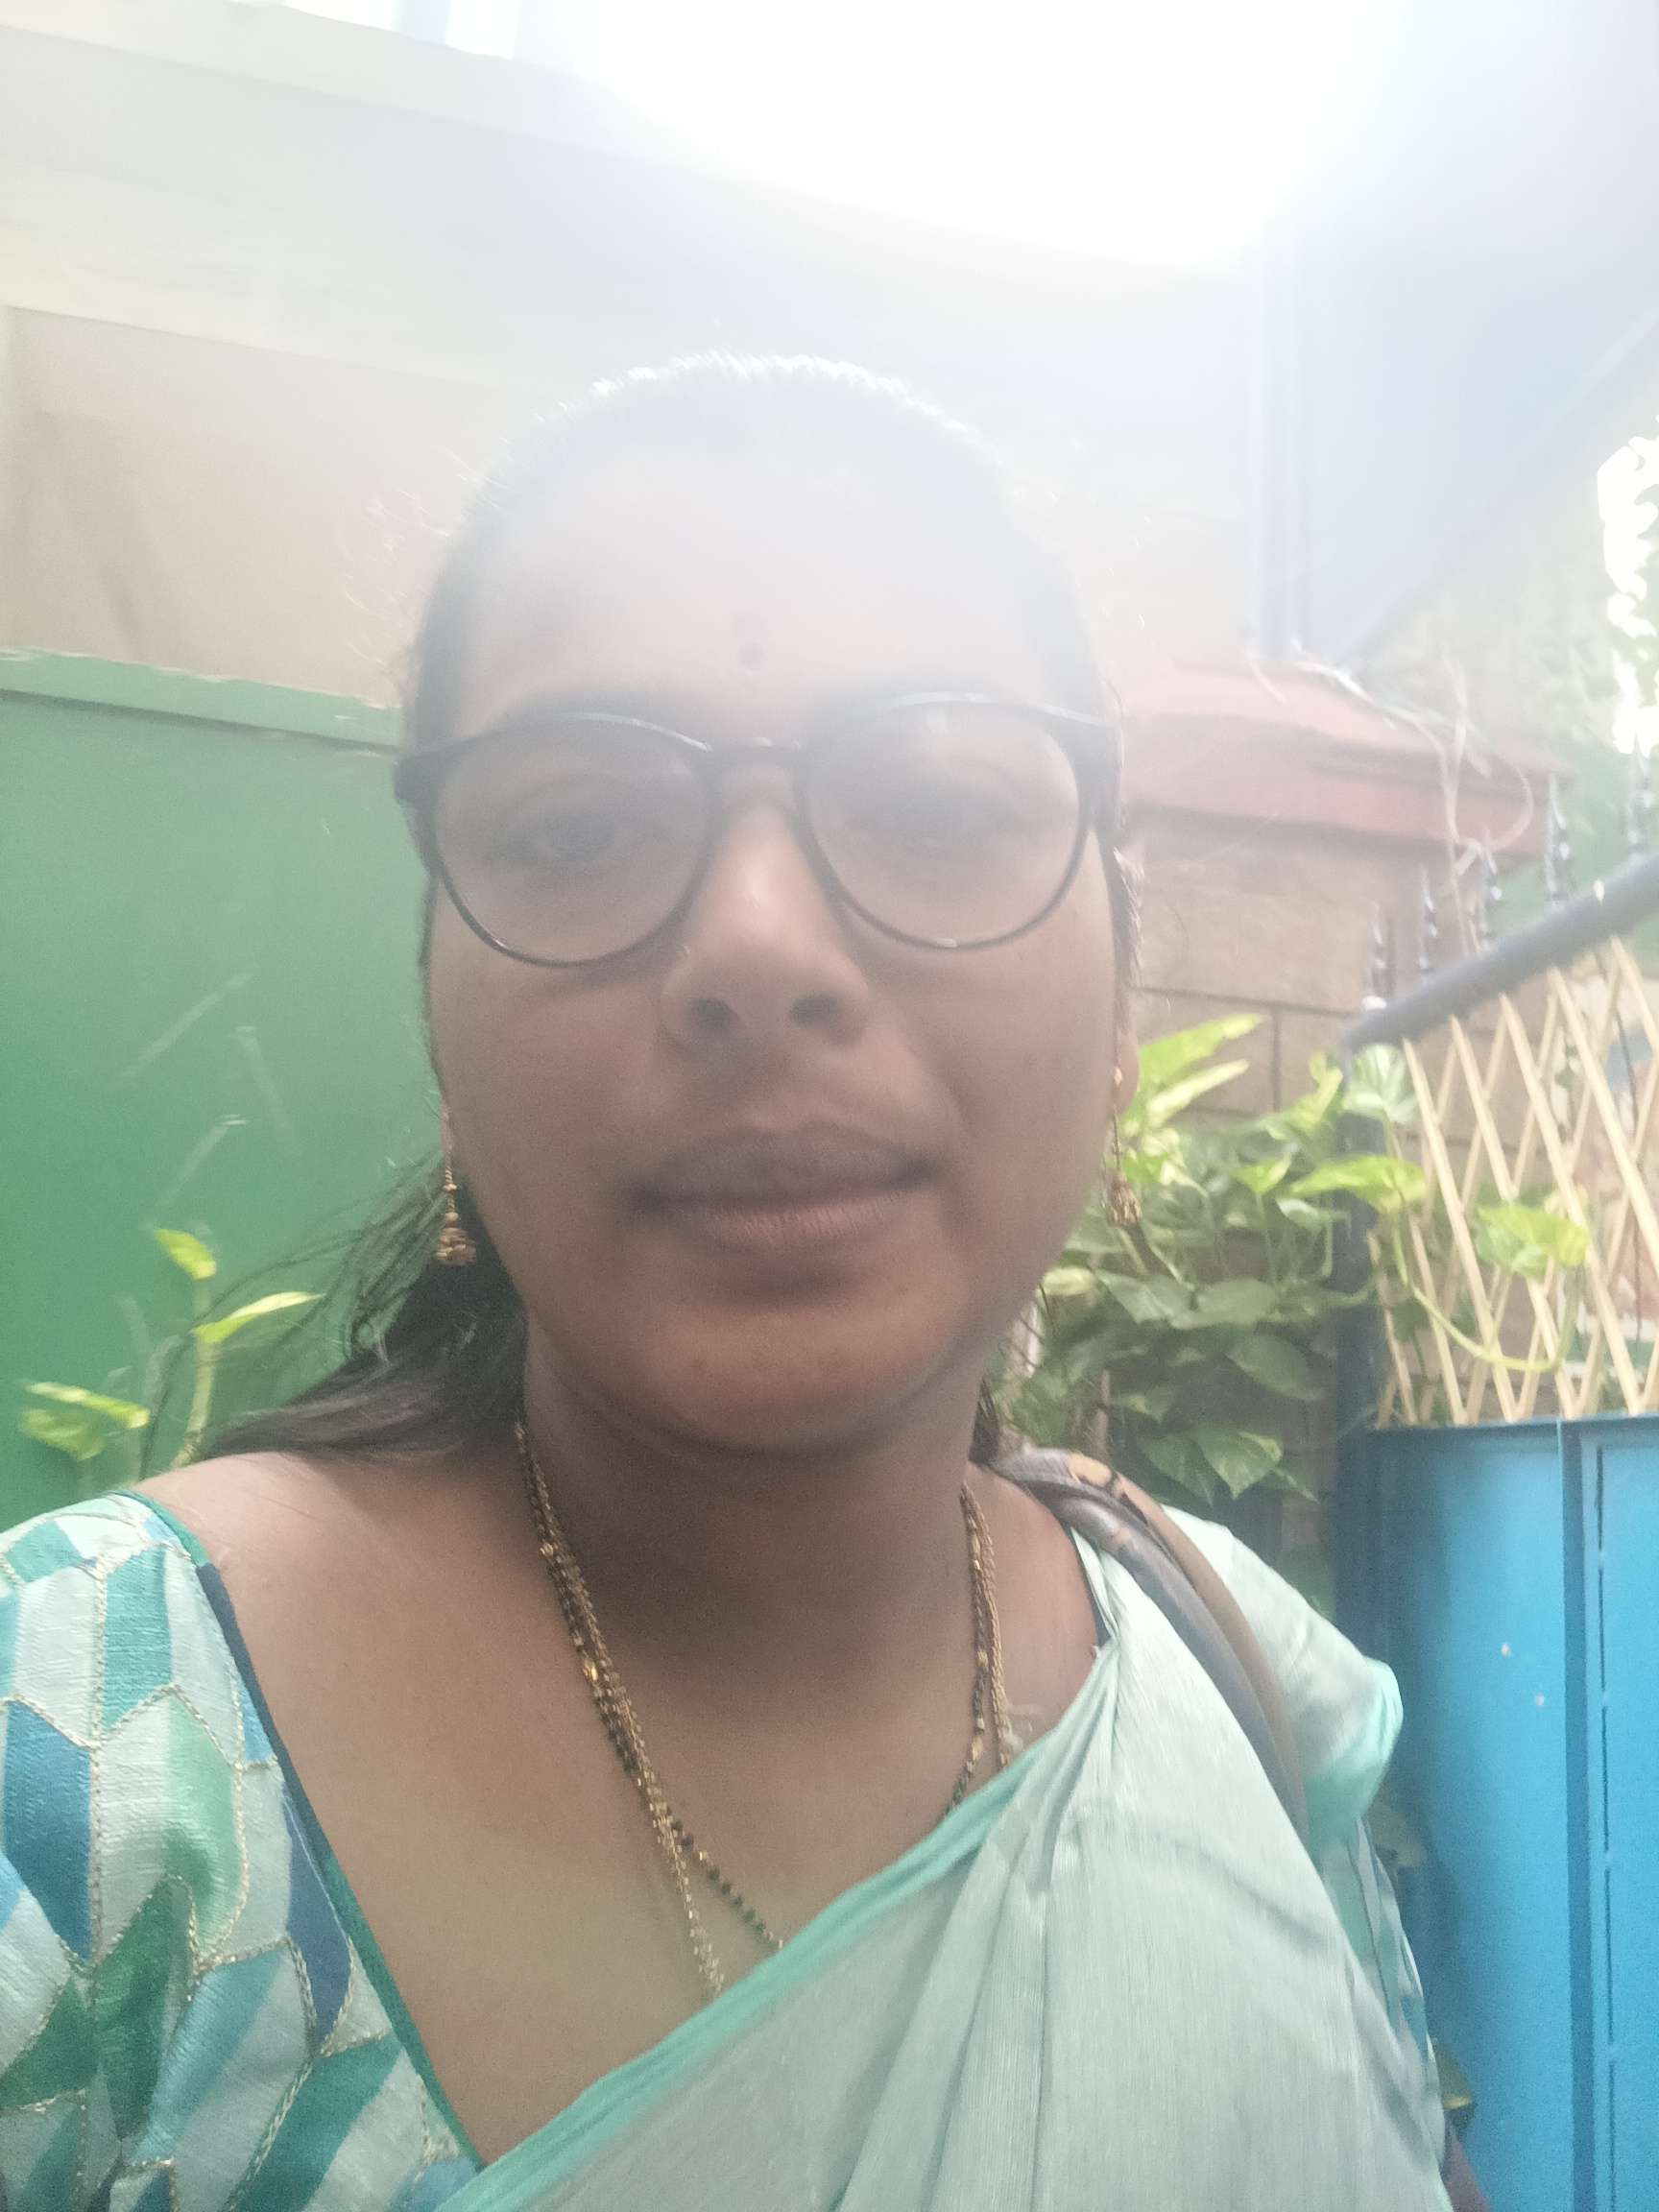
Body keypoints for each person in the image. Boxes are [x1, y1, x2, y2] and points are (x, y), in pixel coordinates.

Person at [0, 357, 1459, 2208]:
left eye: (937, 803)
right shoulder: (83, 1770)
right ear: (441, 1017)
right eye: (576, 832)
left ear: (1120, 992)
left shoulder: (1233, 1685)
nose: (756, 950)